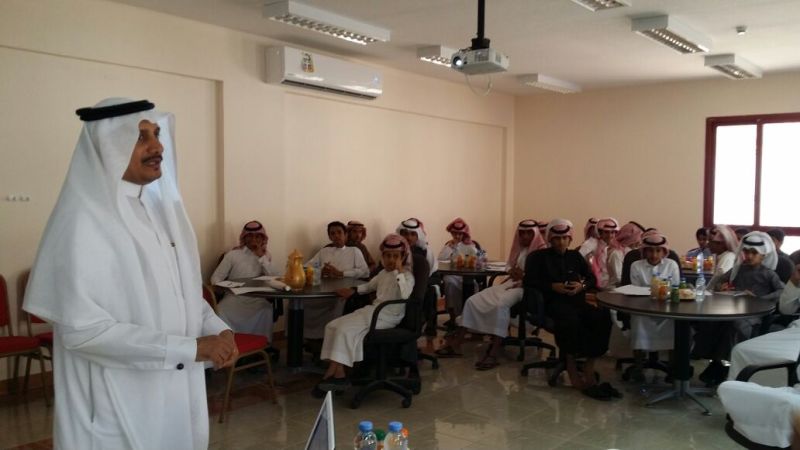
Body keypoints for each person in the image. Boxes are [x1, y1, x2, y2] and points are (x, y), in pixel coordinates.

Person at [23, 98, 237, 449]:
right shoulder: (81, 223)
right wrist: (189, 348)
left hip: (175, 389)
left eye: (156, 134)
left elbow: (183, 294)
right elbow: (84, 332)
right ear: (108, 145)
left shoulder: (162, 212)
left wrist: (218, 329)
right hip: (113, 403)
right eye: (140, 137)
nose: (157, 146)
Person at [525, 219, 620, 400]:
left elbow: (591, 279)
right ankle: (570, 365)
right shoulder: (538, 257)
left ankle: (589, 363)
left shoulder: (575, 256)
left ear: (569, 239)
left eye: (564, 238)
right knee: (570, 320)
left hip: (576, 300)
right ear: (550, 239)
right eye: (557, 238)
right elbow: (529, 281)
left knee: (602, 316)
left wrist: (581, 286)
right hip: (551, 303)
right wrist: (553, 286)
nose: (561, 242)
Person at [436, 220, 547, 369]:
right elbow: (510, 265)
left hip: (527, 289)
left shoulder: (542, 251)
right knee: (473, 300)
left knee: (500, 305)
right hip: (509, 283)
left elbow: (544, 278)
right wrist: (511, 271)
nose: (525, 236)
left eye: (529, 233)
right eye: (522, 233)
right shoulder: (521, 249)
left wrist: (524, 276)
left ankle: (494, 352)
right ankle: (457, 343)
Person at [314, 234, 415, 392]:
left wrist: (400, 272)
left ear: (402, 258)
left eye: (395, 256)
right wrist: (352, 291)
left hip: (388, 316)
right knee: (333, 325)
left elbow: (405, 295)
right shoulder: (382, 273)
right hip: (373, 311)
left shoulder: (407, 276)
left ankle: (332, 374)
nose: (391, 260)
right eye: (388, 256)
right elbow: (368, 287)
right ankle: (338, 372)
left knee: (344, 330)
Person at [693, 231, 785, 385]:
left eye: (754, 253)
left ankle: (726, 364)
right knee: (712, 322)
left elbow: (781, 291)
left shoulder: (769, 274)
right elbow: (719, 281)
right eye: (746, 252)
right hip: (733, 310)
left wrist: (759, 298)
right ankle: (714, 360)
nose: (749, 256)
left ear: (763, 255)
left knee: (736, 326)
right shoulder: (739, 269)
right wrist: (721, 286)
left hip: (753, 314)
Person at [727, 264, 800, 381]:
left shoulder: (768, 273)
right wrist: (794, 283)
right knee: (740, 350)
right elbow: (786, 310)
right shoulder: (740, 268)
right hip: (795, 330)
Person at [210, 220, 277, 341]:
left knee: (267, 310)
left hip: (256, 298)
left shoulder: (266, 255)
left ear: (263, 238)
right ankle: (228, 344)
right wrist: (223, 286)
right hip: (234, 297)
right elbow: (215, 277)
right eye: (250, 236)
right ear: (244, 238)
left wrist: (261, 257)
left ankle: (261, 344)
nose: (254, 239)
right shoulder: (232, 254)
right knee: (220, 310)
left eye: (257, 236)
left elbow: (274, 277)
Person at [628, 230, 680, 381]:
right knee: (638, 320)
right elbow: (636, 290)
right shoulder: (636, 265)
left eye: (658, 250)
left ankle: (672, 369)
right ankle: (638, 368)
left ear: (664, 252)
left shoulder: (671, 265)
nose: (654, 254)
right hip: (642, 308)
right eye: (650, 250)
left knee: (674, 323)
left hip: (667, 309)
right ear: (644, 251)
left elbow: (675, 288)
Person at [304, 221, 370, 340]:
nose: (336, 236)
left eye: (339, 232)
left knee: (338, 304)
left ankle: (331, 339)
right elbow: (307, 267)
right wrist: (320, 271)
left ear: (345, 235)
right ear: (330, 237)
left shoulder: (354, 251)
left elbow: (365, 272)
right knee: (301, 303)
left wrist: (341, 273)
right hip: (323, 292)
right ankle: (308, 337)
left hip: (343, 293)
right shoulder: (324, 251)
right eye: (333, 233)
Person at [438, 217, 482, 328]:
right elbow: (441, 259)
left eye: (460, 234)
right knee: (449, 282)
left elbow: (479, 257)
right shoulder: (449, 245)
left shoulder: (470, 244)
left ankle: (469, 319)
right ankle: (453, 317)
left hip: (468, 276)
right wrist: (451, 247)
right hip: (452, 275)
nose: (457, 236)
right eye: (455, 233)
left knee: (472, 286)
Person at [706, 225, 740, 290]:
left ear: (722, 244)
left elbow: (720, 286)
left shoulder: (729, 258)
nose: (708, 244)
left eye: (710, 241)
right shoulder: (722, 256)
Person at [591, 217, 621, 290]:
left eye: (612, 232)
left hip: (614, 285)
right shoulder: (592, 246)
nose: (610, 235)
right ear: (600, 233)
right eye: (606, 232)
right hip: (603, 286)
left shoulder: (617, 247)